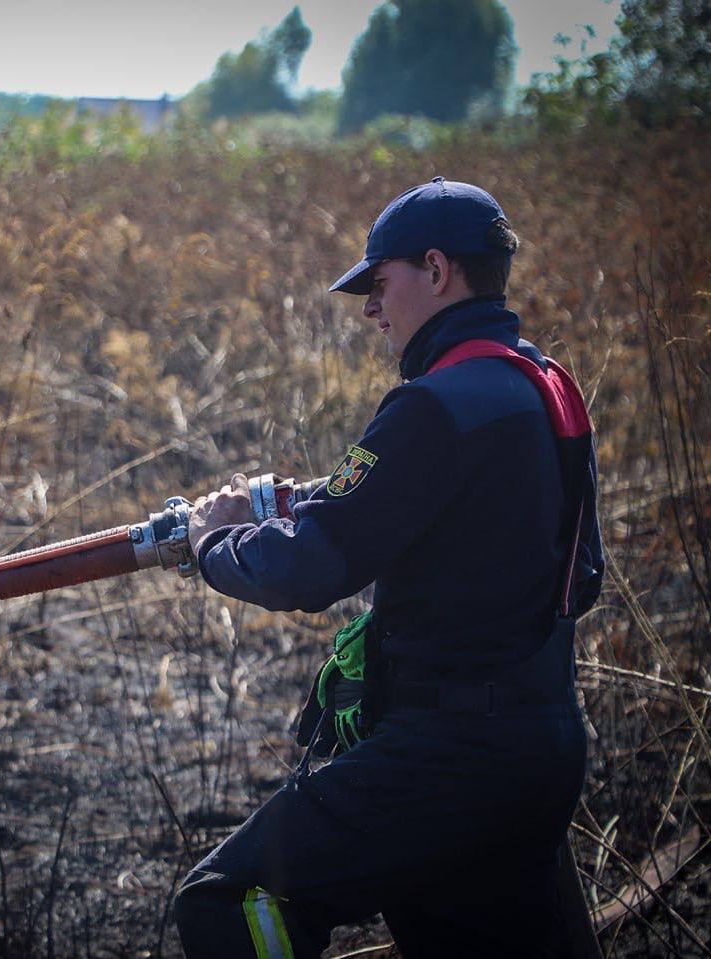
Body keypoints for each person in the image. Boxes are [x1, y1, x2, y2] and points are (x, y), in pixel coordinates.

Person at [172, 178, 604, 959]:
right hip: (544, 747)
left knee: (229, 897)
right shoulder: (546, 388)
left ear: (436, 270)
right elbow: (586, 574)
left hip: (449, 759)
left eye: (378, 282)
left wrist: (215, 541)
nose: (371, 308)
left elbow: (305, 569)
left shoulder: (433, 405)